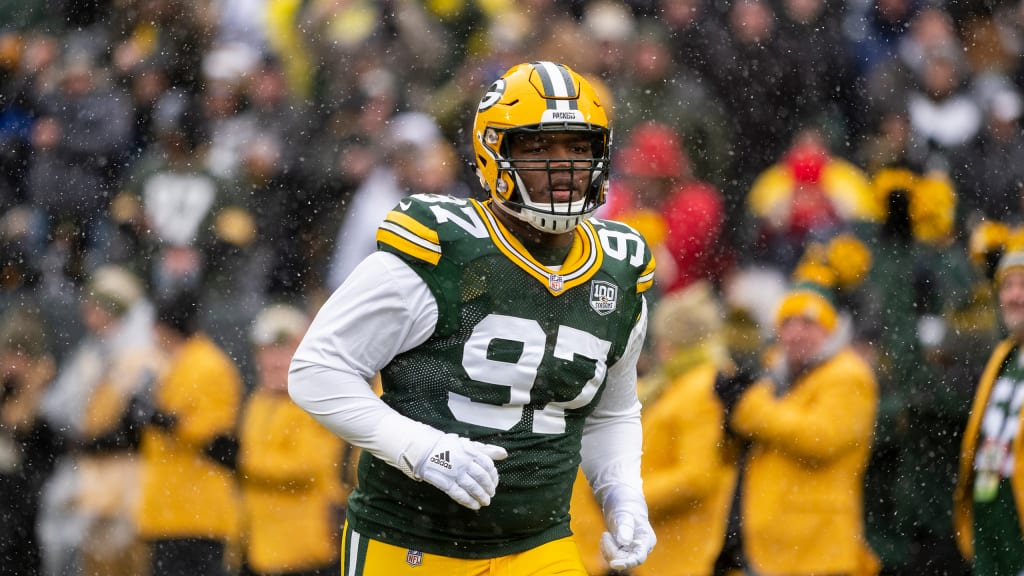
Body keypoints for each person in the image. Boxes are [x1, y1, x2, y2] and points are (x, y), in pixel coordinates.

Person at [289, 61, 657, 575]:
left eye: (578, 147)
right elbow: (316, 371)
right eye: (537, 147)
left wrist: (623, 496)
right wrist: (422, 449)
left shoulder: (618, 268)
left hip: (539, 542)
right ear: (493, 154)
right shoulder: (445, 248)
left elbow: (611, 412)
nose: (564, 166)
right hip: (413, 541)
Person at [570, 280, 740, 576]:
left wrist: (623, 497)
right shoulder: (675, 384)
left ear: (675, 343)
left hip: (682, 550)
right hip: (664, 546)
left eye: (665, 339)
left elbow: (696, 477)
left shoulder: (702, 389)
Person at [717, 272, 879, 576]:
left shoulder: (848, 375)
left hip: (818, 550)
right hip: (772, 551)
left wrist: (747, 407)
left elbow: (820, 438)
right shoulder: (775, 376)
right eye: (787, 323)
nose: (796, 333)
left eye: (808, 323)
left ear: (831, 330)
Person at [133, 287, 244, 576]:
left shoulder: (210, 366)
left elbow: (215, 430)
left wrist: (166, 421)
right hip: (169, 511)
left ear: (162, 327)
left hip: (198, 513)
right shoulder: (170, 364)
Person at [237, 303, 347, 576]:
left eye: (283, 350)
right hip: (260, 548)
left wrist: (243, 463)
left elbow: (309, 464)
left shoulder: (316, 399)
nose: (272, 360)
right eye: (265, 351)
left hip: (306, 550)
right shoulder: (257, 401)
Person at [953, 248, 1024, 575]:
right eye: (1007, 286)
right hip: (991, 507)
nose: (1014, 295)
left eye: (1023, 284)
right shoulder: (1003, 355)